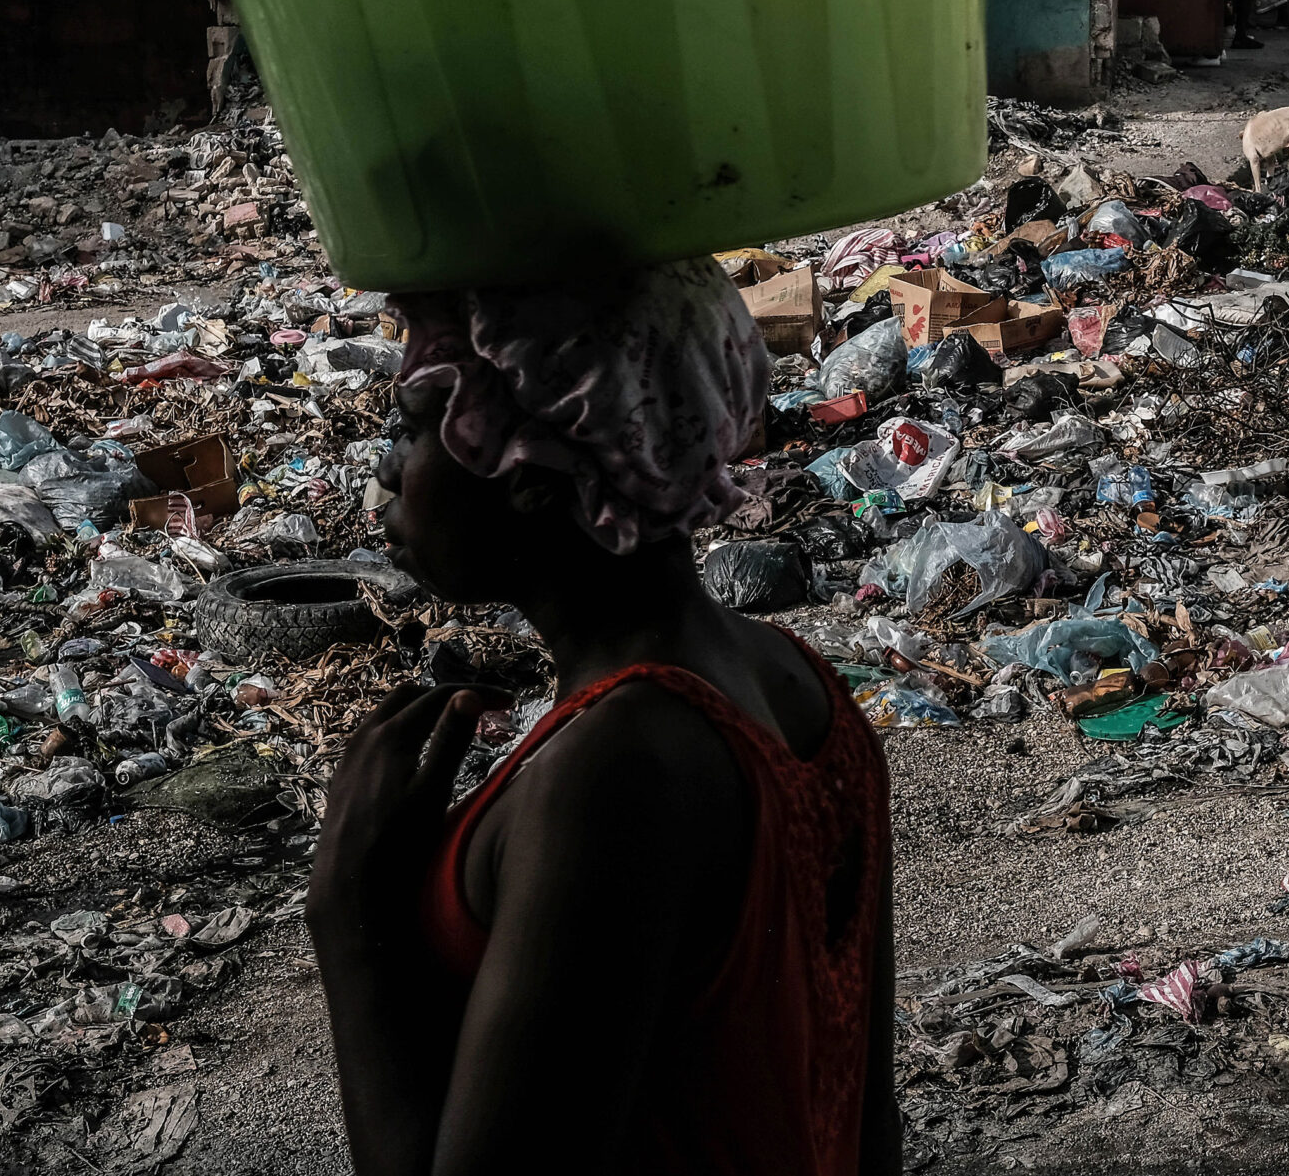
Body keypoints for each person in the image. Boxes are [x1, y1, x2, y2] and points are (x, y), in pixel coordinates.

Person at [311, 260, 896, 1176]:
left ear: (537, 476)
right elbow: (866, 1121)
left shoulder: (613, 772)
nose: (386, 467)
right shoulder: (802, 685)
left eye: (415, 425)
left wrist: (351, 922)